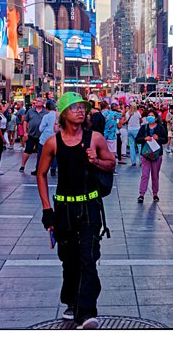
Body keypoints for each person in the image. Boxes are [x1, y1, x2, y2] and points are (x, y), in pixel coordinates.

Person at [37, 92, 115, 329]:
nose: (80, 111)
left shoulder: (95, 138)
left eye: (83, 107)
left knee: (88, 259)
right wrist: (47, 209)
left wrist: (96, 161)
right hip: (64, 208)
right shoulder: (53, 143)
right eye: (74, 107)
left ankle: (86, 313)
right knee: (69, 260)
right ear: (63, 114)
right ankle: (72, 302)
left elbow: (111, 164)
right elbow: (41, 174)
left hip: (89, 206)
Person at [135, 109, 167, 202]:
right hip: (146, 154)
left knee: (155, 175)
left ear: (156, 118)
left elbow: (165, 140)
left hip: (157, 154)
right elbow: (137, 139)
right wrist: (145, 138)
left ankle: (155, 194)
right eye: (149, 115)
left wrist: (158, 138)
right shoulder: (143, 127)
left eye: (152, 116)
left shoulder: (160, 127)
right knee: (145, 175)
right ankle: (141, 194)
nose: (150, 117)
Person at [19, 96, 45, 175]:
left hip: (41, 136)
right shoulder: (30, 111)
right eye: (36, 101)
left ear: (42, 103)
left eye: (38, 101)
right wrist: (25, 132)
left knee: (40, 152)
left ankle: (39, 168)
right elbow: (25, 121)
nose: (36, 102)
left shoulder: (45, 112)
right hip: (31, 134)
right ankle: (22, 165)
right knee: (27, 150)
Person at [37, 100, 58, 179]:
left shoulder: (46, 116)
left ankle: (39, 169)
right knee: (55, 154)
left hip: (45, 139)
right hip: (55, 138)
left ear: (47, 108)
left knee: (41, 154)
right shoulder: (59, 116)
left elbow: (41, 128)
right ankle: (53, 168)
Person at [102, 100, 122, 168]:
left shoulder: (100, 114)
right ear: (107, 106)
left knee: (103, 152)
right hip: (112, 135)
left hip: (103, 135)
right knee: (112, 152)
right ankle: (113, 168)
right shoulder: (113, 113)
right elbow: (121, 115)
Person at [125, 102, 142, 166]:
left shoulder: (127, 113)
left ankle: (133, 162)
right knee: (139, 145)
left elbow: (126, 121)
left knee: (132, 146)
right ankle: (141, 161)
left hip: (129, 130)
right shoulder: (137, 113)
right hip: (137, 129)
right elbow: (141, 120)